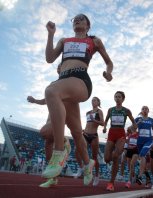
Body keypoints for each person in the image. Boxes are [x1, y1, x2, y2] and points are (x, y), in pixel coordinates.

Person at [43, 13, 113, 186]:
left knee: (50, 91)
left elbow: (109, 62)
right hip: (64, 81)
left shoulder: (94, 40)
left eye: (81, 18)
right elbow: (49, 58)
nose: (77, 20)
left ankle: (60, 151)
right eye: (75, 19)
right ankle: (87, 166)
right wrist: (51, 34)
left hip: (80, 80)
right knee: (71, 132)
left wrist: (109, 73)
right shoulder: (64, 40)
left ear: (88, 25)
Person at [27, 63, 72, 188]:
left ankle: (65, 142)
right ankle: (53, 178)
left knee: (44, 132)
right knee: (47, 143)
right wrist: (35, 100)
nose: (58, 68)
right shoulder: (54, 84)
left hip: (60, 115)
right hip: (50, 116)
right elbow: (46, 100)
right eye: (57, 67)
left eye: (61, 66)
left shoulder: (69, 83)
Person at [103, 91, 137, 191]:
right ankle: (113, 162)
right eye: (116, 97)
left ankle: (111, 182)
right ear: (114, 98)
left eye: (119, 97)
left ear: (122, 99)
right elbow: (105, 121)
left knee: (115, 156)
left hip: (121, 134)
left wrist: (133, 128)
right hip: (111, 133)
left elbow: (134, 123)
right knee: (106, 159)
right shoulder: (110, 110)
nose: (117, 98)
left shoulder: (126, 111)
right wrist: (104, 127)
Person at [74, 97, 105, 186]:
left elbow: (103, 123)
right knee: (77, 150)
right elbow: (88, 123)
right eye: (92, 100)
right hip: (86, 134)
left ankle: (96, 176)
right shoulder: (88, 112)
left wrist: (94, 119)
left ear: (98, 102)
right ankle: (81, 167)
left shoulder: (99, 111)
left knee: (94, 158)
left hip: (94, 135)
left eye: (95, 100)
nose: (93, 102)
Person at [135, 106, 153, 187]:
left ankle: (139, 176)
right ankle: (144, 177)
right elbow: (134, 127)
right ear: (141, 111)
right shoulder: (138, 119)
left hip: (148, 140)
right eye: (143, 108)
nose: (144, 110)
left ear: (148, 111)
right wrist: (138, 121)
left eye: (146, 108)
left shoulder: (151, 120)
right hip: (140, 140)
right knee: (141, 156)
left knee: (142, 154)